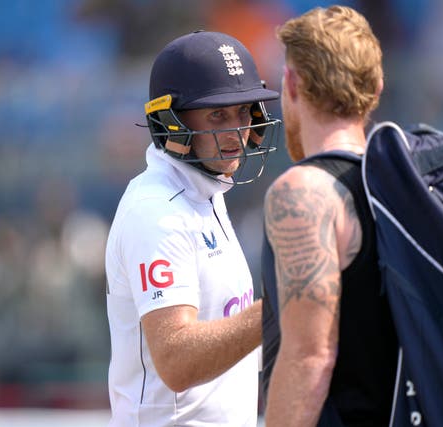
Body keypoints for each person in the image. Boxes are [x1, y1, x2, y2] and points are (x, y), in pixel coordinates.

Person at [105, 30, 282, 426]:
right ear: (171, 122)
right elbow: (177, 360)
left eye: (242, 112)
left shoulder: (204, 191)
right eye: (217, 114)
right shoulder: (156, 211)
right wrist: (283, 306)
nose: (237, 132)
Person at [262, 6, 398, 427]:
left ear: (292, 83)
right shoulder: (407, 184)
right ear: (376, 89)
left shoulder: (304, 192)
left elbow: (310, 356)